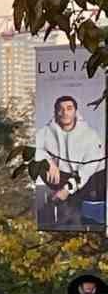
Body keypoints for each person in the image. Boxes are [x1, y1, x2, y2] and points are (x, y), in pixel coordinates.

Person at [37, 95, 107, 227]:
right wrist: (49, 162)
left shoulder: (90, 136)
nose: (65, 113)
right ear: (56, 112)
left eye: (69, 108)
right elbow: (32, 149)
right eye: (61, 109)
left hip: (91, 180)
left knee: (86, 219)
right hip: (64, 178)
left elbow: (87, 171)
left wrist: (66, 190)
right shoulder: (46, 132)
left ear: (75, 111)